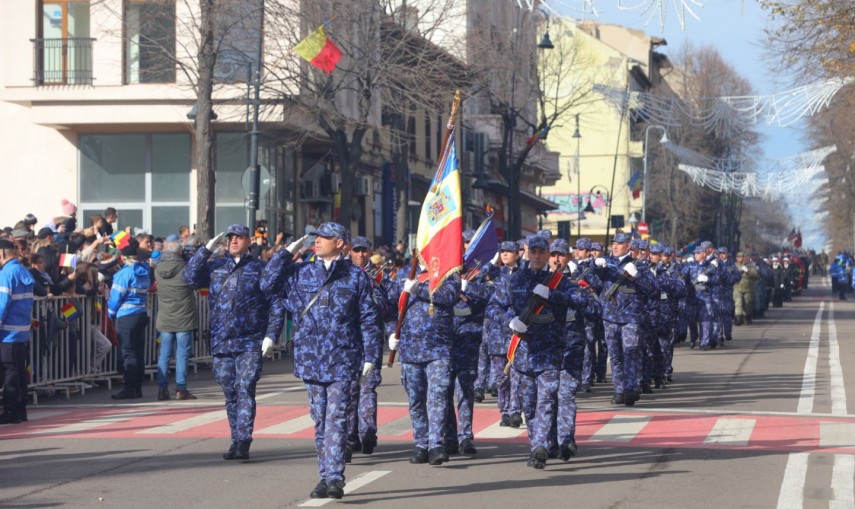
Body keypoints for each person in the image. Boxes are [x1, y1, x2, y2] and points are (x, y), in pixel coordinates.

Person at [261, 223, 382, 500]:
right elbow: (267, 284)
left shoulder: (355, 276)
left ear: (340, 243)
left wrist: (371, 356)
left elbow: (368, 319)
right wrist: (287, 252)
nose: (317, 241)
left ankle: (335, 478)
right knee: (319, 420)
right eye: (315, 237)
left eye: (324, 237)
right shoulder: (301, 272)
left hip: (343, 357)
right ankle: (324, 475)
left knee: (336, 418)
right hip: (311, 358)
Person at [183, 224, 285, 461]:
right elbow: (188, 277)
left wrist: (271, 334)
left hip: (250, 340)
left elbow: (276, 302)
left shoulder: (260, 268)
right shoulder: (216, 267)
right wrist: (205, 251)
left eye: (239, 237)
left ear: (249, 241)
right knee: (230, 392)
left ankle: (244, 440)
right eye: (230, 238)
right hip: (222, 340)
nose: (234, 241)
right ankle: (235, 438)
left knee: (245, 387)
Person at [387, 246, 460, 467]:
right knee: (416, 399)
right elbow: (390, 304)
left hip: (438, 348)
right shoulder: (403, 274)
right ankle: (420, 444)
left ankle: (436, 444)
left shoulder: (448, 272)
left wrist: (421, 289)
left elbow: (450, 296)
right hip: (410, 348)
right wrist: (391, 332)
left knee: (436, 397)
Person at [593, 232, 658, 405]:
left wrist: (636, 276)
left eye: (619, 243)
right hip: (610, 316)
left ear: (628, 246)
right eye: (613, 243)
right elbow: (593, 282)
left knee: (631, 352)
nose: (615, 246)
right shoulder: (607, 263)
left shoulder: (639, 265)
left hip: (631, 316)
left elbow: (652, 289)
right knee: (614, 355)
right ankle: (619, 390)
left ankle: (630, 388)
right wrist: (595, 268)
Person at [344, 235, 391, 458]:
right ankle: (349, 437)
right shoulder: (341, 273)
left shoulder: (379, 275)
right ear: (349, 251)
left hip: (370, 339)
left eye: (364, 251)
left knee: (368, 387)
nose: (361, 255)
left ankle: (368, 432)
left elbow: (390, 305)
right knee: (348, 390)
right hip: (346, 341)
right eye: (356, 250)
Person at [155, 238, 199, 401]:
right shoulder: (186, 270)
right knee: (182, 354)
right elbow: (195, 284)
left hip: (165, 317)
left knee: (164, 354)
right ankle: (181, 388)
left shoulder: (158, 270)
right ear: (180, 253)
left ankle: (162, 388)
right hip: (184, 317)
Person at [107, 244, 152, 399]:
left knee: (128, 353)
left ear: (123, 257)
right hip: (141, 312)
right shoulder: (145, 271)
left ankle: (129, 388)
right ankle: (137, 387)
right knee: (138, 352)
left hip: (126, 315)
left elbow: (115, 297)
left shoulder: (124, 273)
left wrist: (110, 314)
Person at [0, 238, 35, 424]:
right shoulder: (22, 270)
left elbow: (2, 302)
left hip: (7, 332)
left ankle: (11, 410)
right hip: (21, 330)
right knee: (19, 371)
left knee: (10, 372)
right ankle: (20, 410)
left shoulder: (6, 273)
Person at [733, 252, 758, 325]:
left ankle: (747, 318)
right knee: (738, 303)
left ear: (744, 257)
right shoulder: (734, 266)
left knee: (747, 304)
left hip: (748, 289)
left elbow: (756, 276)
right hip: (737, 288)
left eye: (741, 257)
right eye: (738, 257)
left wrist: (748, 271)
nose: (739, 258)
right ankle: (738, 319)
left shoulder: (750, 266)